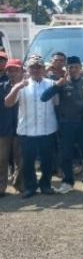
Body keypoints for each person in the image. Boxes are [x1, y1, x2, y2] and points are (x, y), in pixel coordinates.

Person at [40, 56, 83, 194]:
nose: (73, 69)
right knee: (66, 154)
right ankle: (67, 182)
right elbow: (44, 97)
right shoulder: (62, 83)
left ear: (81, 68)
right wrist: (57, 85)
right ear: (67, 69)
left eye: (76, 67)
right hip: (66, 124)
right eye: (70, 67)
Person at [4, 55, 58, 198]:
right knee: (28, 161)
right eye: (32, 67)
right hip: (27, 130)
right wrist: (16, 88)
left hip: (47, 129)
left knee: (47, 160)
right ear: (27, 69)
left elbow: (57, 103)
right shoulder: (22, 85)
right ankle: (30, 187)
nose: (35, 70)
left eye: (38, 67)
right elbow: (8, 103)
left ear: (44, 69)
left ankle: (46, 185)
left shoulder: (52, 84)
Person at [0, 59, 23, 196]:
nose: (12, 73)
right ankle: (1, 186)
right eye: (10, 70)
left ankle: (19, 184)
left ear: (21, 71)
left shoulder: (28, 87)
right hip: (3, 128)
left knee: (21, 159)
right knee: (1, 160)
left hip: (22, 128)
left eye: (15, 70)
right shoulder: (1, 86)